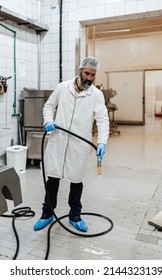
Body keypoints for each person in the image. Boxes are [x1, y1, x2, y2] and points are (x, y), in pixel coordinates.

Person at [34, 56, 109, 232]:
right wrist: (48, 121)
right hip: (58, 141)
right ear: (80, 70)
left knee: (77, 180)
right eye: (87, 73)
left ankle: (75, 215)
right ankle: (47, 213)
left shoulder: (96, 95)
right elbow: (49, 106)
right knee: (52, 178)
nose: (89, 78)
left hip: (78, 146)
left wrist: (102, 142)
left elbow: (103, 120)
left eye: (93, 75)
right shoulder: (62, 88)